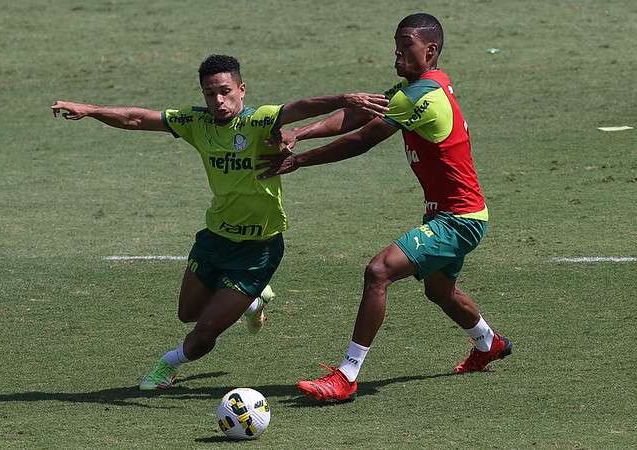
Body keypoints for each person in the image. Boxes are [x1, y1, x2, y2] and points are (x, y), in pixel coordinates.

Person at [51, 54, 388, 390]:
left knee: (201, 338)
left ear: (242, 90)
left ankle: (168, 364)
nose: (218, 101)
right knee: (188, 313)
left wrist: (343, 99)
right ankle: (252, 302)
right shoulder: (196, 123)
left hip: (257, 253)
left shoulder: (261, 121)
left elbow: (300, 107)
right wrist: (90, 110)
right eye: (210, 94)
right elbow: (137, 119)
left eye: (225, 92)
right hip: (214, 240)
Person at [259, 13, 513, 402]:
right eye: (396, 43)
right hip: (450, 214)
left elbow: (362, 138)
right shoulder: (416, 88)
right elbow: (358, 113)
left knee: (378, 272)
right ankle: (488, 342)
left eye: (406, 44)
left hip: (459, 220)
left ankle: (346, 376)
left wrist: (299, 160)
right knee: (439, 291)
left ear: (429, 50)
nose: (397, 51)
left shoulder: (423, 97)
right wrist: (300, 132)